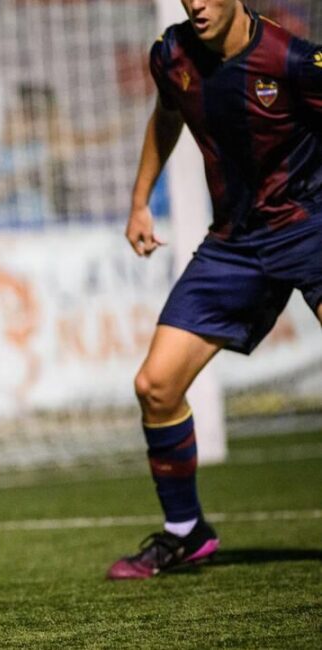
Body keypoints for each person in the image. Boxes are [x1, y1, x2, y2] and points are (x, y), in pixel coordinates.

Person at [110, 0, 322, 580]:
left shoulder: (295, 60)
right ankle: (186, 533)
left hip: (309, 226)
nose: (196, 3)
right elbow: (167, 115)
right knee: (155, 386)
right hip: (234, 243)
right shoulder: (172, 55)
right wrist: (138, 203)